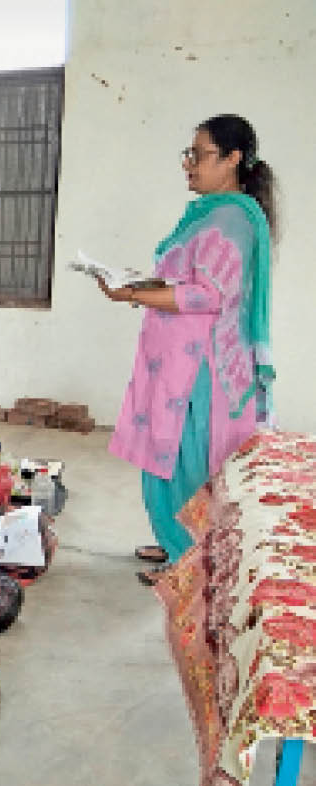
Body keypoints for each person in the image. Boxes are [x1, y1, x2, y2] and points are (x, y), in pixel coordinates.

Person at [96, 114, 276, 584]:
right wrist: (139, 286)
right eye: (188, 154)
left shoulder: (234, 219)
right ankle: (176, 541)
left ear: (233, 159)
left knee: (188, 461)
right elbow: (185, 279)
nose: (188, 164)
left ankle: (190, 562)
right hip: (175, 359)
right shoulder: (207, 213)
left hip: (202, 368)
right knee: (165, 456)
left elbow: (208, 295)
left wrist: (132, 294)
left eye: (199, 154)